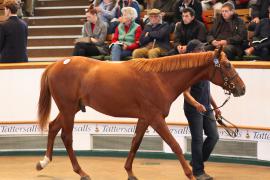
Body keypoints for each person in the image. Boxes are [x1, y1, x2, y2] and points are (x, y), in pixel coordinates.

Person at [183, 39, 221, 180]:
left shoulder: (205, 68)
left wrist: (215, 106)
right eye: (200, 49)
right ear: (192, 52)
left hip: (207, 107)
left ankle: (196, 161)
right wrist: (196, 104)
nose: (204, 51)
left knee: (214, 136)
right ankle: (198, 172)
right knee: (197, 139)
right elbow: (185, 93)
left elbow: (206, 90)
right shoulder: (190, 71)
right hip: (193, 109)